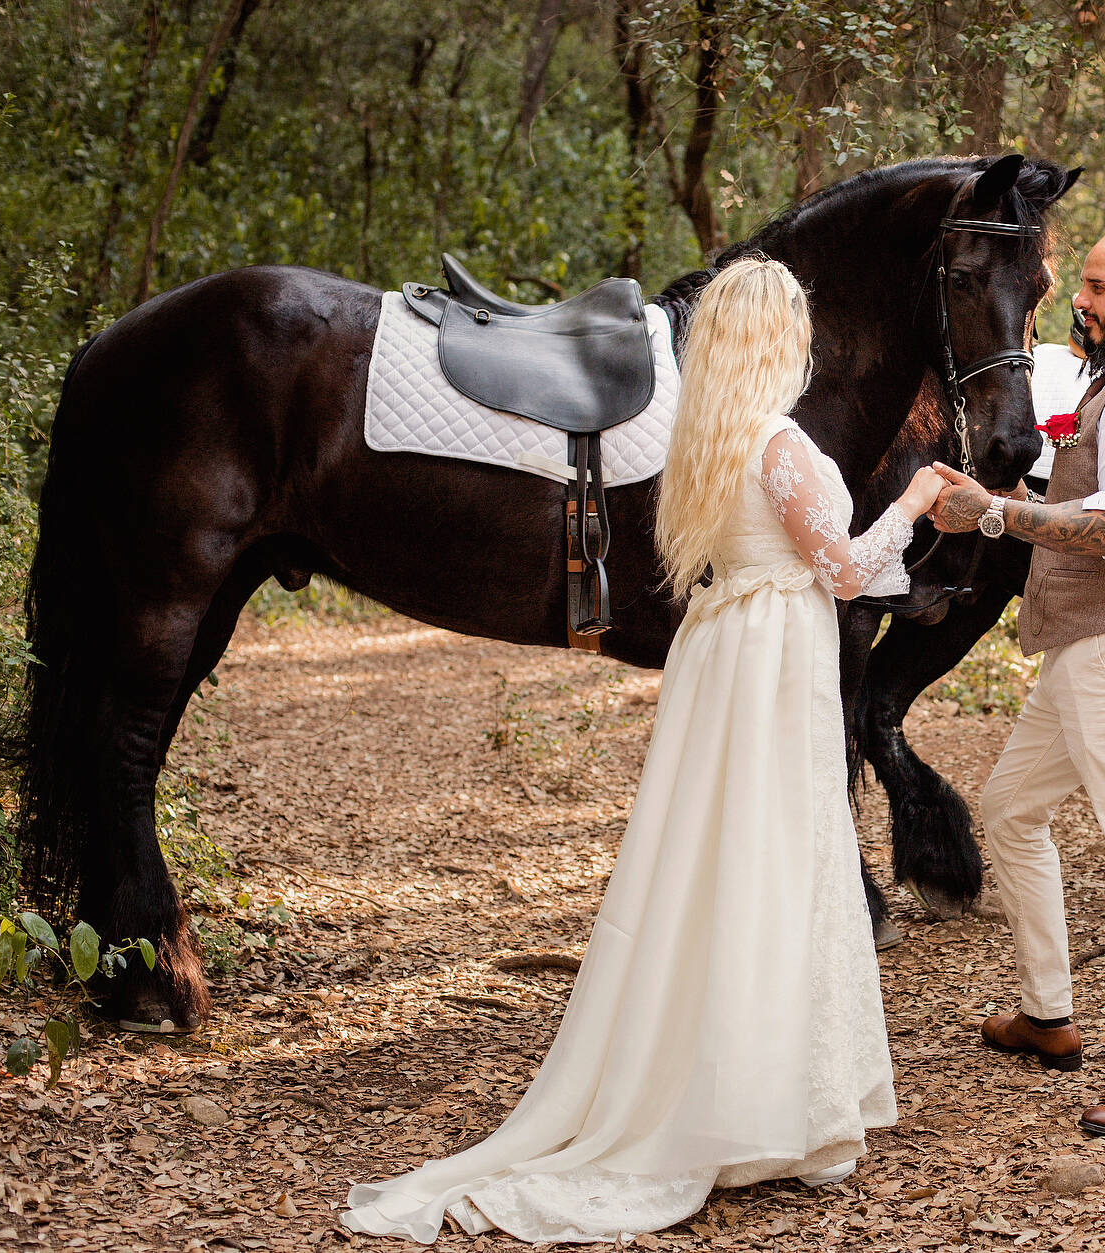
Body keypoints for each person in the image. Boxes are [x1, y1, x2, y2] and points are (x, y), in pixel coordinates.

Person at [342, 257, 946, 1243]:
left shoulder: (701, 441)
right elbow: (840, 572)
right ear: (776, 341)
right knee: (775, 861)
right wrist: (912, 504)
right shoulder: (781, 444)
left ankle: (752, 1092)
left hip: (730, 648)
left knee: (722, 867)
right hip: (773, 653)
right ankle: (765, 1111)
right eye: (795, 328)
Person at [927, 224, 1105, 1140]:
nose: (1079, 302)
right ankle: (1049, 1014)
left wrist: (995, 515)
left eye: (1095, 287)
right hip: (1093, 645)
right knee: (1011, 805)